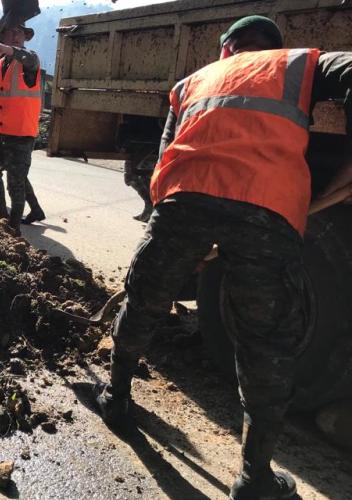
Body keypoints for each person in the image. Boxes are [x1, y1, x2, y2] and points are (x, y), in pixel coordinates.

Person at [93, 16, 352, 500]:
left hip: (183, 201)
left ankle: (116, 399)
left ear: (225, 49)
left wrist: (173, 230)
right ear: (273, 46)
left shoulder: (191, 81)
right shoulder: (299, 64)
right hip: (267, 209)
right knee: (265, 342)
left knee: (144, 301)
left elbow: (164, 153)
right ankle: (254, 477)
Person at [0, 24, 46, 234]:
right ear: (4, 35)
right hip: (0, 132)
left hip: (21, 134)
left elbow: (28, 58)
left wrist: (3, 48)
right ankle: (1, 216)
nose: (16, 36)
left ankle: (13, 228)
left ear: (25, 38)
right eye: (12, 32)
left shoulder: (29, 59)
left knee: (15, 184)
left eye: (20, 33)